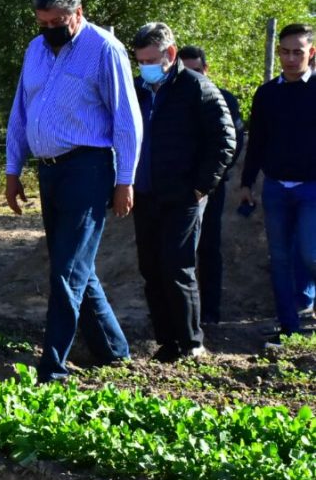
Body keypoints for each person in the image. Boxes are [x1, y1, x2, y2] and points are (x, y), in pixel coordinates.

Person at [5, 0, 142, 383]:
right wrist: (13, 171)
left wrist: (125, 180)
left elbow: (127, 121)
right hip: (49, 171)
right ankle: (115, 351)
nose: (49, 30)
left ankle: (53, 366)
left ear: (77, 14)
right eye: (42, 23)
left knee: (66, 270)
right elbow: (20, 113)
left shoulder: (105, 49)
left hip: (88, 168)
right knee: (77, 266)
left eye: (56, 22)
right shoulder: (35, 50)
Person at [131, 24, 235, 362]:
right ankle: (167, 341)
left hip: (183, 197)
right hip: (145, 194)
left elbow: (225, 141)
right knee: (151, 268)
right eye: (140, 60)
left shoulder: (197, 88)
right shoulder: (139, 90)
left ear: (170, 54)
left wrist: (200, 186)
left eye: (150, 59)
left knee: (177, 266)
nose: (144, 66)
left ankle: (191, 342)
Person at [239, 23, 316, 346]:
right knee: (280, 258)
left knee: (310, 253)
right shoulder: (267, 93)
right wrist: (246, 182)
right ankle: (289, 328)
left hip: (312, 187)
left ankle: (306, 311)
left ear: (311, 53)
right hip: (275, 187)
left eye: (297, 51)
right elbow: (256, 141)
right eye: (284, 51)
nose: (289, 58)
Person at [177, 45, 246, 325]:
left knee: (208, 248)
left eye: (196, 70)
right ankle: (181, 313)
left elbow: (233, 142)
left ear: (206, 70)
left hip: (210, 187)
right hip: (177, 186)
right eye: (186, 70)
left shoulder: (224, 99)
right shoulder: (171, 100)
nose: (191, 76)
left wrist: (208, 180)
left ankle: (210, 313)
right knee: (178, 252)